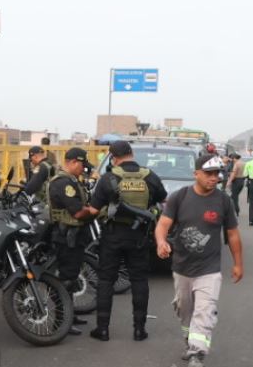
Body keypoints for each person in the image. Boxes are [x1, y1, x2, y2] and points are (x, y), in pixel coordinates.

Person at [155, 155, 243, 367]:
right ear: (196, 174)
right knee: (185, 309)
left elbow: (232, 233)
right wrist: (161, 242)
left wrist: (238, 263)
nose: (214, 178)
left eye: (217, 174)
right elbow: (163, 224)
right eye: (209, 174)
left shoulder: (223, 201)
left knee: (204, 310)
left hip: (209, 269)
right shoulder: (180, 197)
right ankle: (189, 339)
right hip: (182, 267)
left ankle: (197, 355)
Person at [85, 140, 167, 341]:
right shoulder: (150, 176)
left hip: (112, 236)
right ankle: (139, 330)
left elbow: (94, 210)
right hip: (139, 236)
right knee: (139, 280)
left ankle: (102, 329)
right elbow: (162, 199)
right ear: (131, 153)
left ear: (113, 158)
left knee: (106, 280)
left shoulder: (108, 178)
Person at [44, 146, 99, 327]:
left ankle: (69, 316)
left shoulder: (72, 180)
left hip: (73, 236)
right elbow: (77, 212)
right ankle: (61, 322)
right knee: (66, 279)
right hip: (66, 236)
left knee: (72, 277)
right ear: (73, 162)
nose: (83, 168)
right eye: (82, 164)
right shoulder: (63, 183)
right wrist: (93, 211)